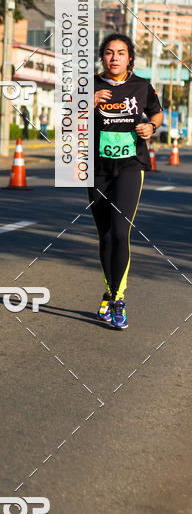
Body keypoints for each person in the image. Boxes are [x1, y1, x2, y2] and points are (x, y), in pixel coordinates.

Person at [90, 33, 163, 329]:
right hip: (96, 167)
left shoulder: (141, 86)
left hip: (131, 166)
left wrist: (151, 126)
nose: (114, 57)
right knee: (105, 235)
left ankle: (118, 299)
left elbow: (157, 112)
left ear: (130, 57)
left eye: (121, 52)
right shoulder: (89, 85)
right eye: (109, 52)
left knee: (121, 232)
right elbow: (67, 121)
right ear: (102, 57)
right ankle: (109, 291)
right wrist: (88, 102)